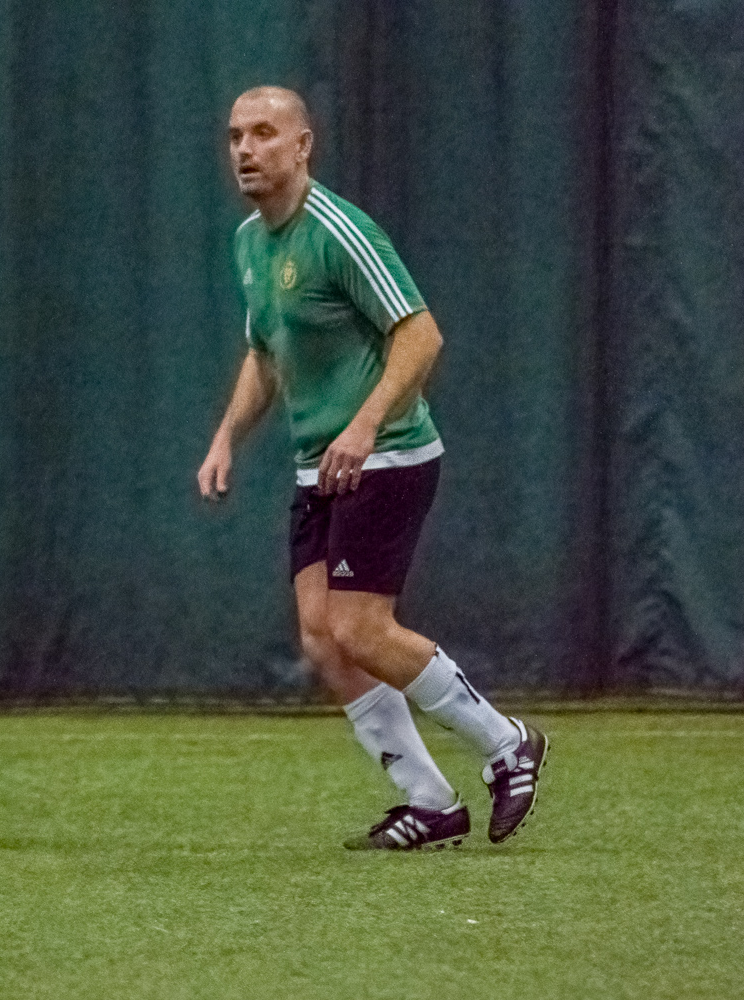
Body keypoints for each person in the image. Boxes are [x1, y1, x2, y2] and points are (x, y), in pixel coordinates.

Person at [197, 86, 548, 850]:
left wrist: (363, 423)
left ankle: (506, 742)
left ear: (302, 146)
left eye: (264, 134)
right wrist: (227, 436)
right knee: (324, 640)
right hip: (316, 467)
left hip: (387, 455)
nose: (247, 150)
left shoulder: (339, 231)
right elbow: (265, 351)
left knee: (361, 626)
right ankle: (429, 802)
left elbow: (421, 337)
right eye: (235, 137)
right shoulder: (250, 242)